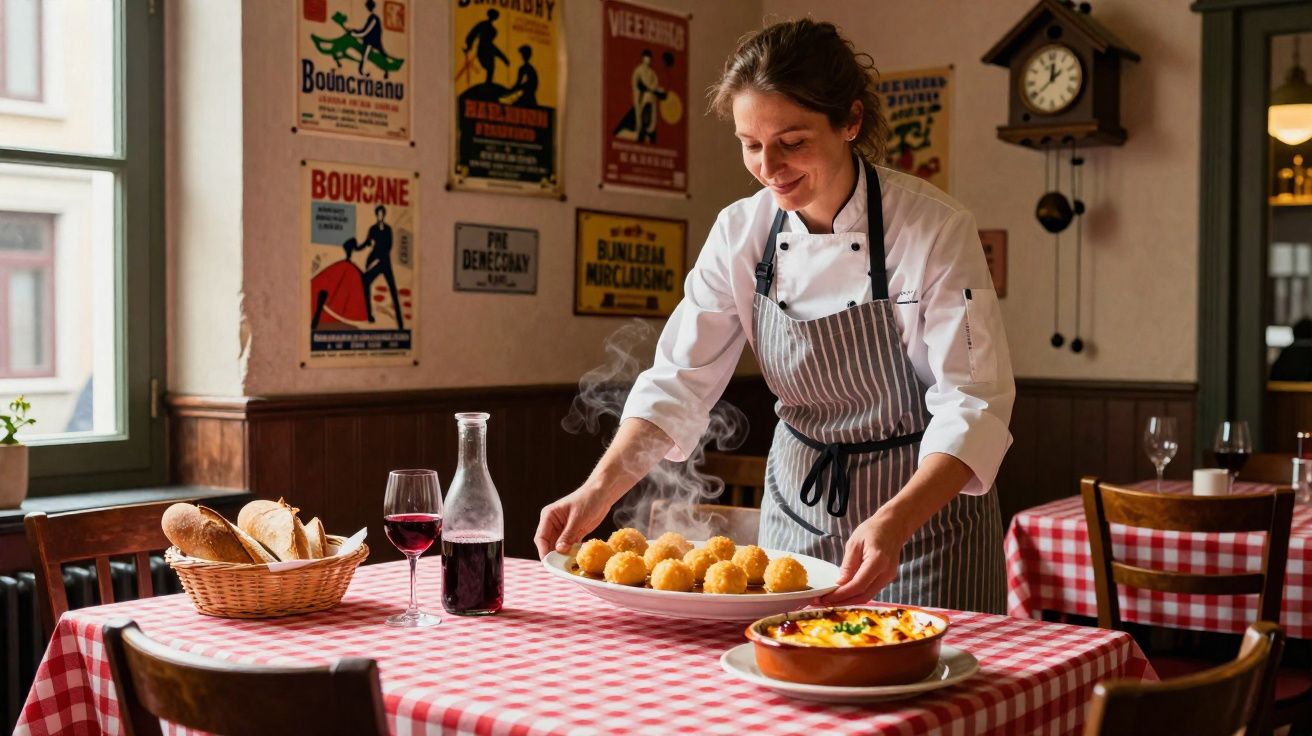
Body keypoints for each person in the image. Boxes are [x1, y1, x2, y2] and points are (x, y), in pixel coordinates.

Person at [535, 19, 1014, 613]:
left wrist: (894, 519)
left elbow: (973, 403)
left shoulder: (934, 229)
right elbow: (678, 381)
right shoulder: (740, 232)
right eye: (751, 144)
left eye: (792, 141)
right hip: (798, 516)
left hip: (923, 523)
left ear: (851, 121)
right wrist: (597, 491)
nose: (769, 166)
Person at [361, 205, 403, 330]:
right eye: (378, 214)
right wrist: (357, 247)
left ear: (384, 215)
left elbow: (389, 246)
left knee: (393, 288)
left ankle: (400, 323)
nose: (380, 216)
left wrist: (379, 256)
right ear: (376, 215)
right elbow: (367, 243)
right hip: (375, 262)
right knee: (365, 282)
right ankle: (369, 315)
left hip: (384, 262)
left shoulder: (388, 229)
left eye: (381, 214)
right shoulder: (373, 229)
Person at [464, 9, 509, 88]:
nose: (494, 17)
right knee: (490, 67)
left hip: (489, 48)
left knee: (491, 67)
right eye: (494, 16)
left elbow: (473, 34)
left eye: (495, 16)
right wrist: (469, 46)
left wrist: (504, 59)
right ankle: (488, 84)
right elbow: (473, 33)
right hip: (483, 48)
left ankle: (489, 83)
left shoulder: (491, 28)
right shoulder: (483, 25)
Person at [348, 0, 385, 77]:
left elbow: (365, 32)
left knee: (376, 55)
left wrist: (354, 34)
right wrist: (354, 31)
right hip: (370, 41)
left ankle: (385, 71)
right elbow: (364, 30)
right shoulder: (371, 18)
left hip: (373, 41)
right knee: (365, 55)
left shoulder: (374, 19)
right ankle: (362, 71)